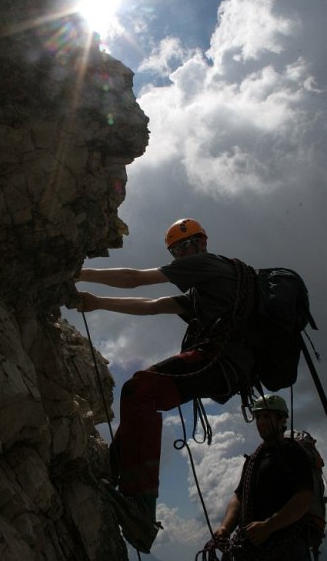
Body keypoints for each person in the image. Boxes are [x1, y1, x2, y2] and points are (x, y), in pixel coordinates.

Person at [72, 218, 257, 552]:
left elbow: (136, 280)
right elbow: (154, 306)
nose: (183, 253)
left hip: (220, 359)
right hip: (224, 364)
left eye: (188, 245)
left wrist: (80, 273)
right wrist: (98, 302)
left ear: (203, 243)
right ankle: (112, 472)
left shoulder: (209, 265)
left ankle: (141, 508)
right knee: (142, 395)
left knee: (139, 389)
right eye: (176, 250)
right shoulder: (203, 290)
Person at [213, 394, 313, 561]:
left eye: (267, 416)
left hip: (288, 549)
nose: (260, 422)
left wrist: (269, 526)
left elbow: (304, 498)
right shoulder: (253, 460)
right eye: (258, 417)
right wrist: (225, 527)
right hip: (252, 549)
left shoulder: (294, 453)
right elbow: (239, 496)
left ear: (282, 420)